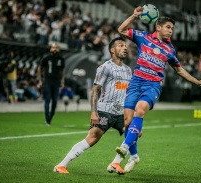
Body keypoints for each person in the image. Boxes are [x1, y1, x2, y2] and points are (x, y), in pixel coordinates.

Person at [114, 7, 201, 163]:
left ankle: (124, 147)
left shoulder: (170, 50)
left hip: (152, 85)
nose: (171, 31)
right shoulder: (143, 37)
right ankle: (134, 156)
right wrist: (134, 16)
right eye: (168, 27)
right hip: (136, 82)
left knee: (140, 109)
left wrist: (197, 81)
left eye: (172, 28)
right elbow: (121, 29)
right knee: (127, 122)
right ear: (158, 27)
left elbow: (179, 70)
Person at [53, 37, 139, 175]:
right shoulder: (105, 68)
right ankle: (61, 165)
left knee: (134, 133)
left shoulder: (128, 70)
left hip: (121, 113)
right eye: (120, 45)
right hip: (105, 111)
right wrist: (94, 112)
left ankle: (115, 162)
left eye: (125, 46)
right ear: (112, 50)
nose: (125, 48)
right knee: (92, 138)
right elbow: (95, 90)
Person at [37, 43, 65, 126]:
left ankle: (50, 118)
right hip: (47, 82)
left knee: (55, 102)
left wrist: (62, 81)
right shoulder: (46, 58)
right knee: (47, 100)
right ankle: (47, 119)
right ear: (50, 49)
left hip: (56, 83)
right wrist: (40, 80)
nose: (55, 49)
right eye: (53, 47)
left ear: (58, 49)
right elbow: (40, 69)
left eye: (56, 47)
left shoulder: (61, 59)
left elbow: (62, 71)